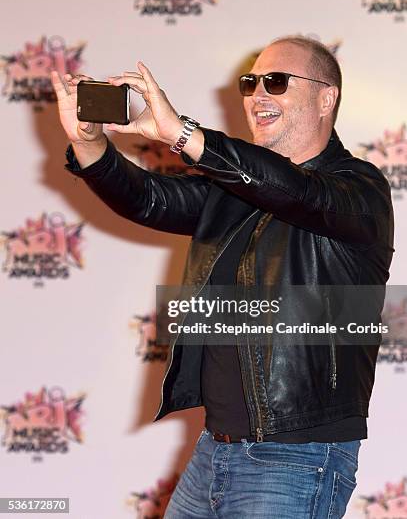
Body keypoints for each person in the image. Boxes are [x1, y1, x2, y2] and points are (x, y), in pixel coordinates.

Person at [51, 35, 394, 518]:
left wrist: (182, 133)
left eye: (276, 82)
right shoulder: (235, 191)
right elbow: (150, 198)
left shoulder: (359, 190)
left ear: (326, 98)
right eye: (250, 82)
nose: (257, 94)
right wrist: (89, 145)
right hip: (216, 449)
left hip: (295, 457)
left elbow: (297, 192)